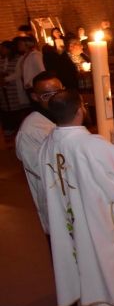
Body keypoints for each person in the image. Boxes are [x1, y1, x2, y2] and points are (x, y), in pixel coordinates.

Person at [40, 90, 114, 306]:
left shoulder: (46, 146)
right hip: (100, 222)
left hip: (71, 222)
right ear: (80, 110)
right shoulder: (91, 145)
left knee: (85, 264)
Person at [15, 72, 62, 235]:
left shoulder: (63, 116)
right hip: (54, 198)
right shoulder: (31, 129)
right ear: (35, 97)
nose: (54, 98)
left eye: (58, 92)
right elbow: (41, 170)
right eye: (47, 95)